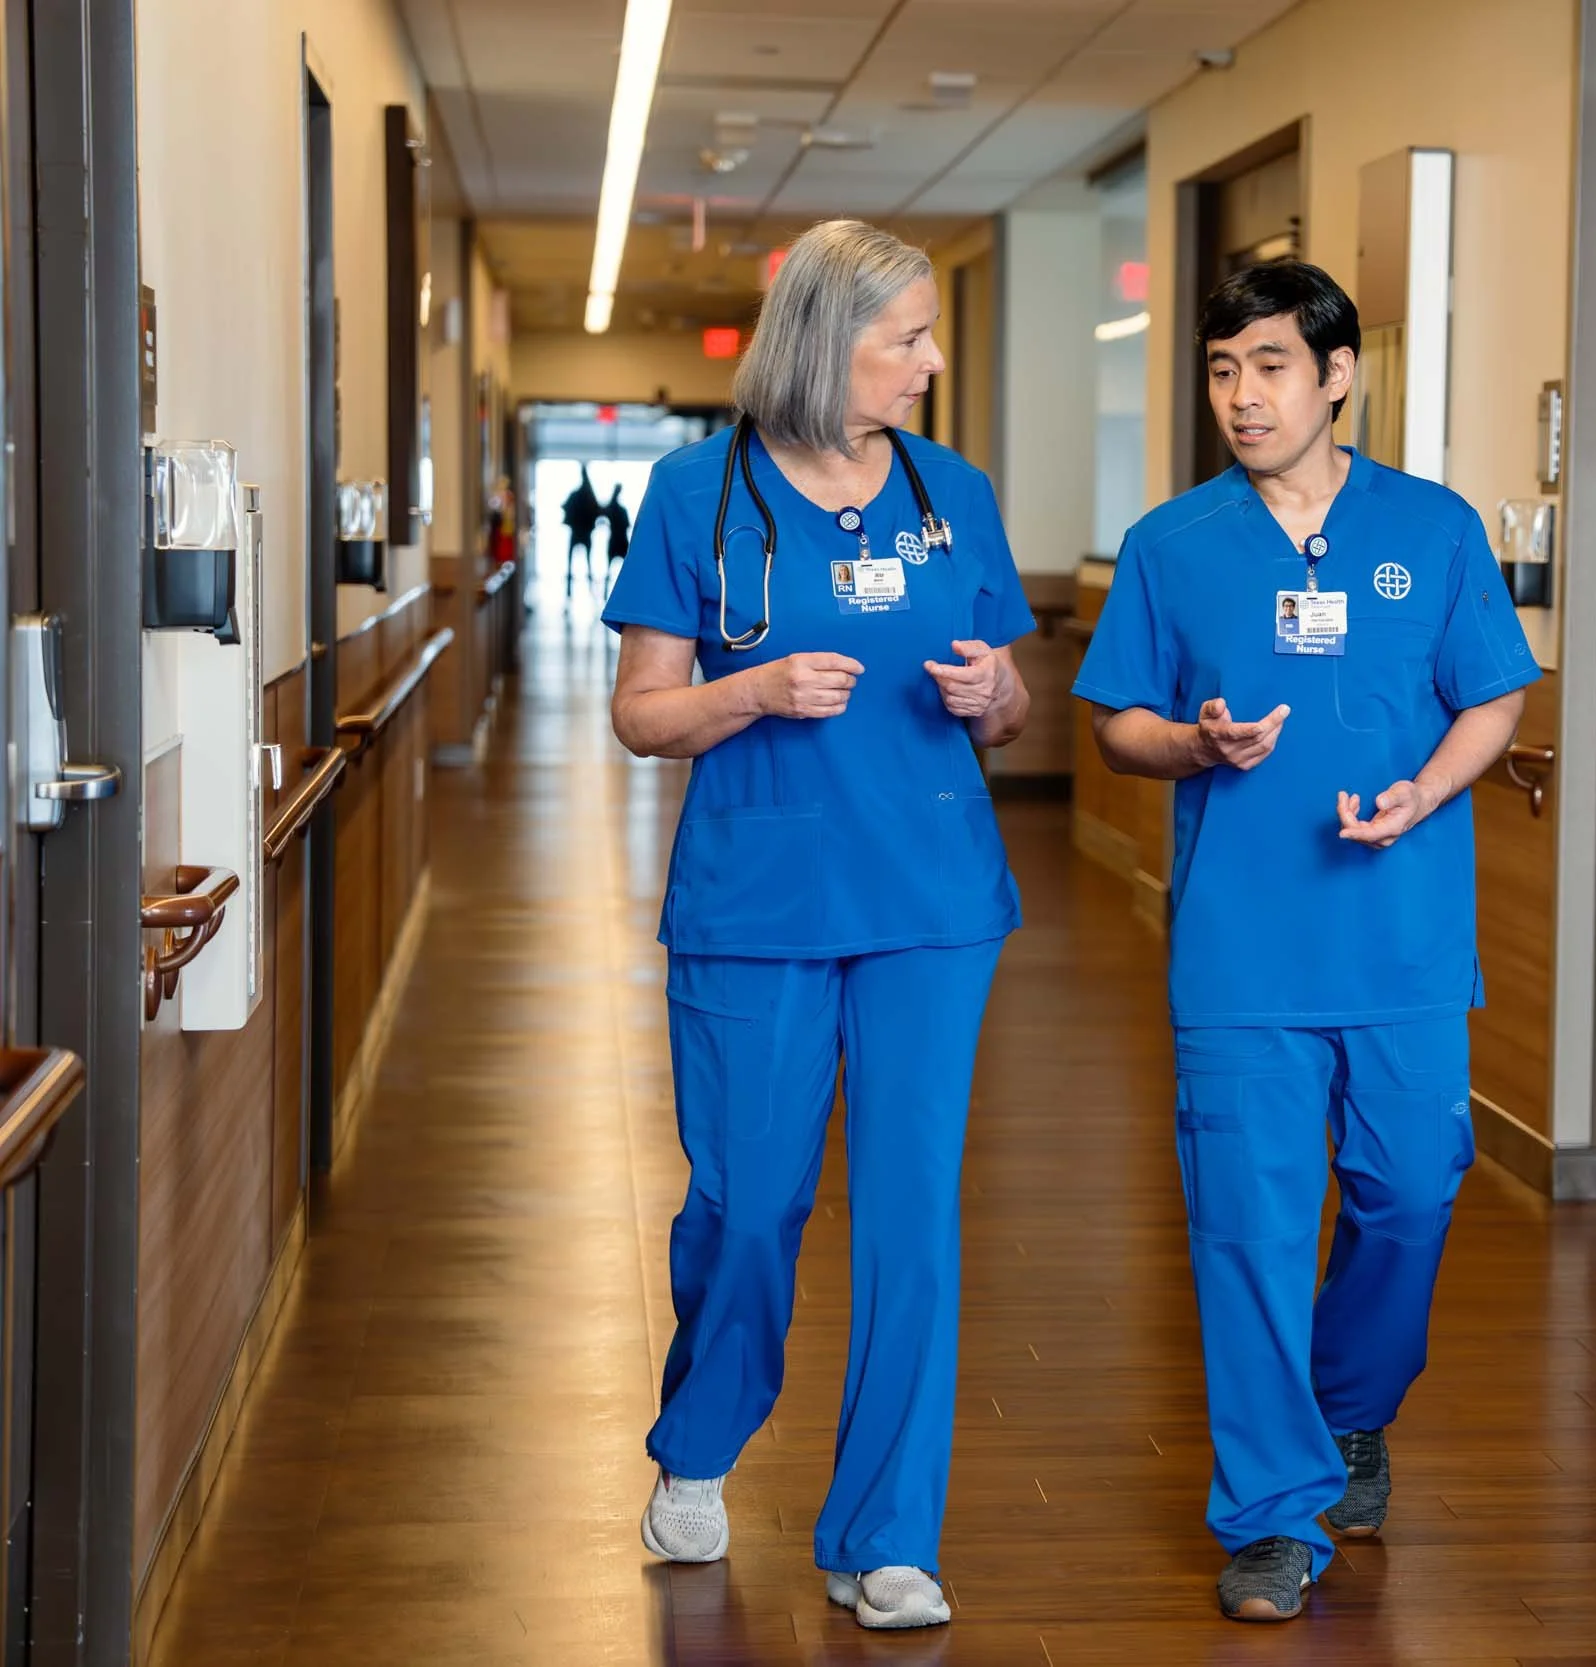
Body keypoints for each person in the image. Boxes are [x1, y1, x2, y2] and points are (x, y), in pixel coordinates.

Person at [1073, 259, 1540, 1622]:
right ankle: (1273, 1512)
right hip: (1242, 956)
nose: (1242, 395)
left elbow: (1494, 697)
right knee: (1249, 1229)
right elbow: (1117, 726)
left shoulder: (1433, 528)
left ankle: (1348, 1407)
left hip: (1400, 945)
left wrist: (1425, 793)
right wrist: (1193, 742)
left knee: (1411, 1194)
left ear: (1336, 375)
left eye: (1269, 366)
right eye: (1223, 369)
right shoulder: (1172, 543)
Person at [601, 218, 1034, 1632]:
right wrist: (754, 690)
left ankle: (886, 1534)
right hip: (757, 900)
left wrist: (993, 696)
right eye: (907, 336)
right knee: (747, 1200)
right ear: (823, 341)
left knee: (913, 1215)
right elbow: (642, 712)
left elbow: (1011, 702)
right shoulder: (696, 491)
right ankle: (700, 1437)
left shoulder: (951, 491)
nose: (932, 358)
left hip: (930, 899)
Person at [561, 465, 602, 596]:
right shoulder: (589, 495)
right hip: (583, 531)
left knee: (575, 560)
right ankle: (582, 589)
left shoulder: (579, 495)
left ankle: (572, 590)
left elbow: (565, 506)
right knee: (585, 560)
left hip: (579, 531)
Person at [602, 484, 633, 586]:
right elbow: (627, 525)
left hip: (617, 541)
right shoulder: (620, 510)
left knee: (611, 568)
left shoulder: (613, 509)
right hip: (620, 541)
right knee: (626, 568)